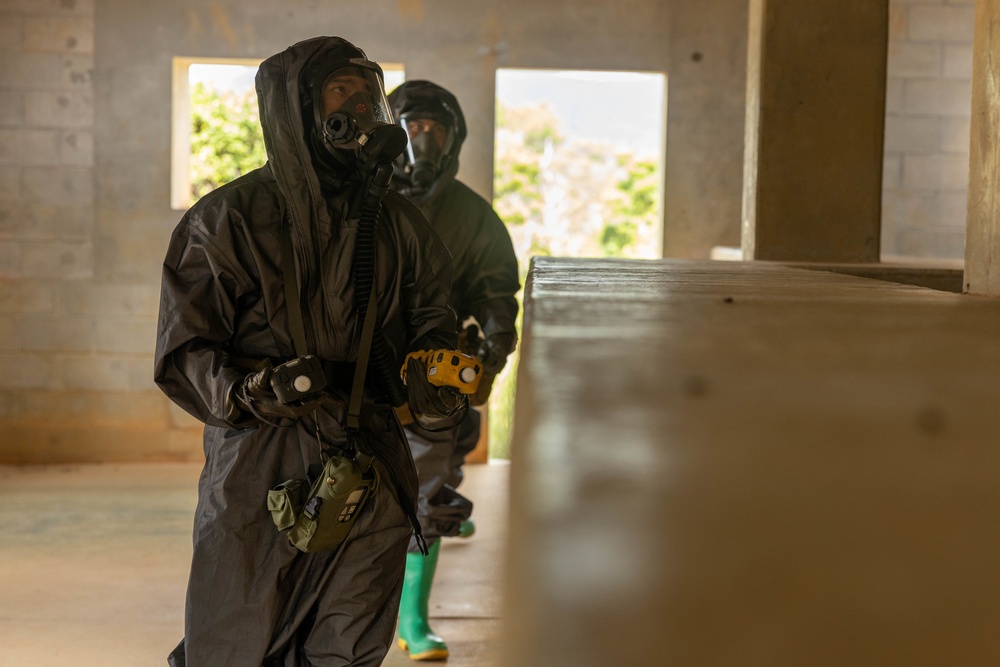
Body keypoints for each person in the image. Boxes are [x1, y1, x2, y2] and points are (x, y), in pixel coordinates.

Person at [153, 37, 468, 667]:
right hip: (258, 466)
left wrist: (435, 385)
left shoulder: (399, 223)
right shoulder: (227, 221)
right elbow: (186, 347)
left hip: (370, 457)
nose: (362, 105)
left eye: (368, 93)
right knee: (237, 638)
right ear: (296, 108)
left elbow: (433, 319)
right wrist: (246, 391)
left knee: (348, 642)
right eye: (341, 91)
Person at [386, 80, 521, 661]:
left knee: (428, 492)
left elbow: (496, 292)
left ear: (455, 138)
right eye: (413, 127)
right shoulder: (359, 203)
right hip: (354, 371)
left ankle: (412, 619)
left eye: (436, 129)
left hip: (434, 377)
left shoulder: (474, 217)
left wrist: (493, 348)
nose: (424, 140)